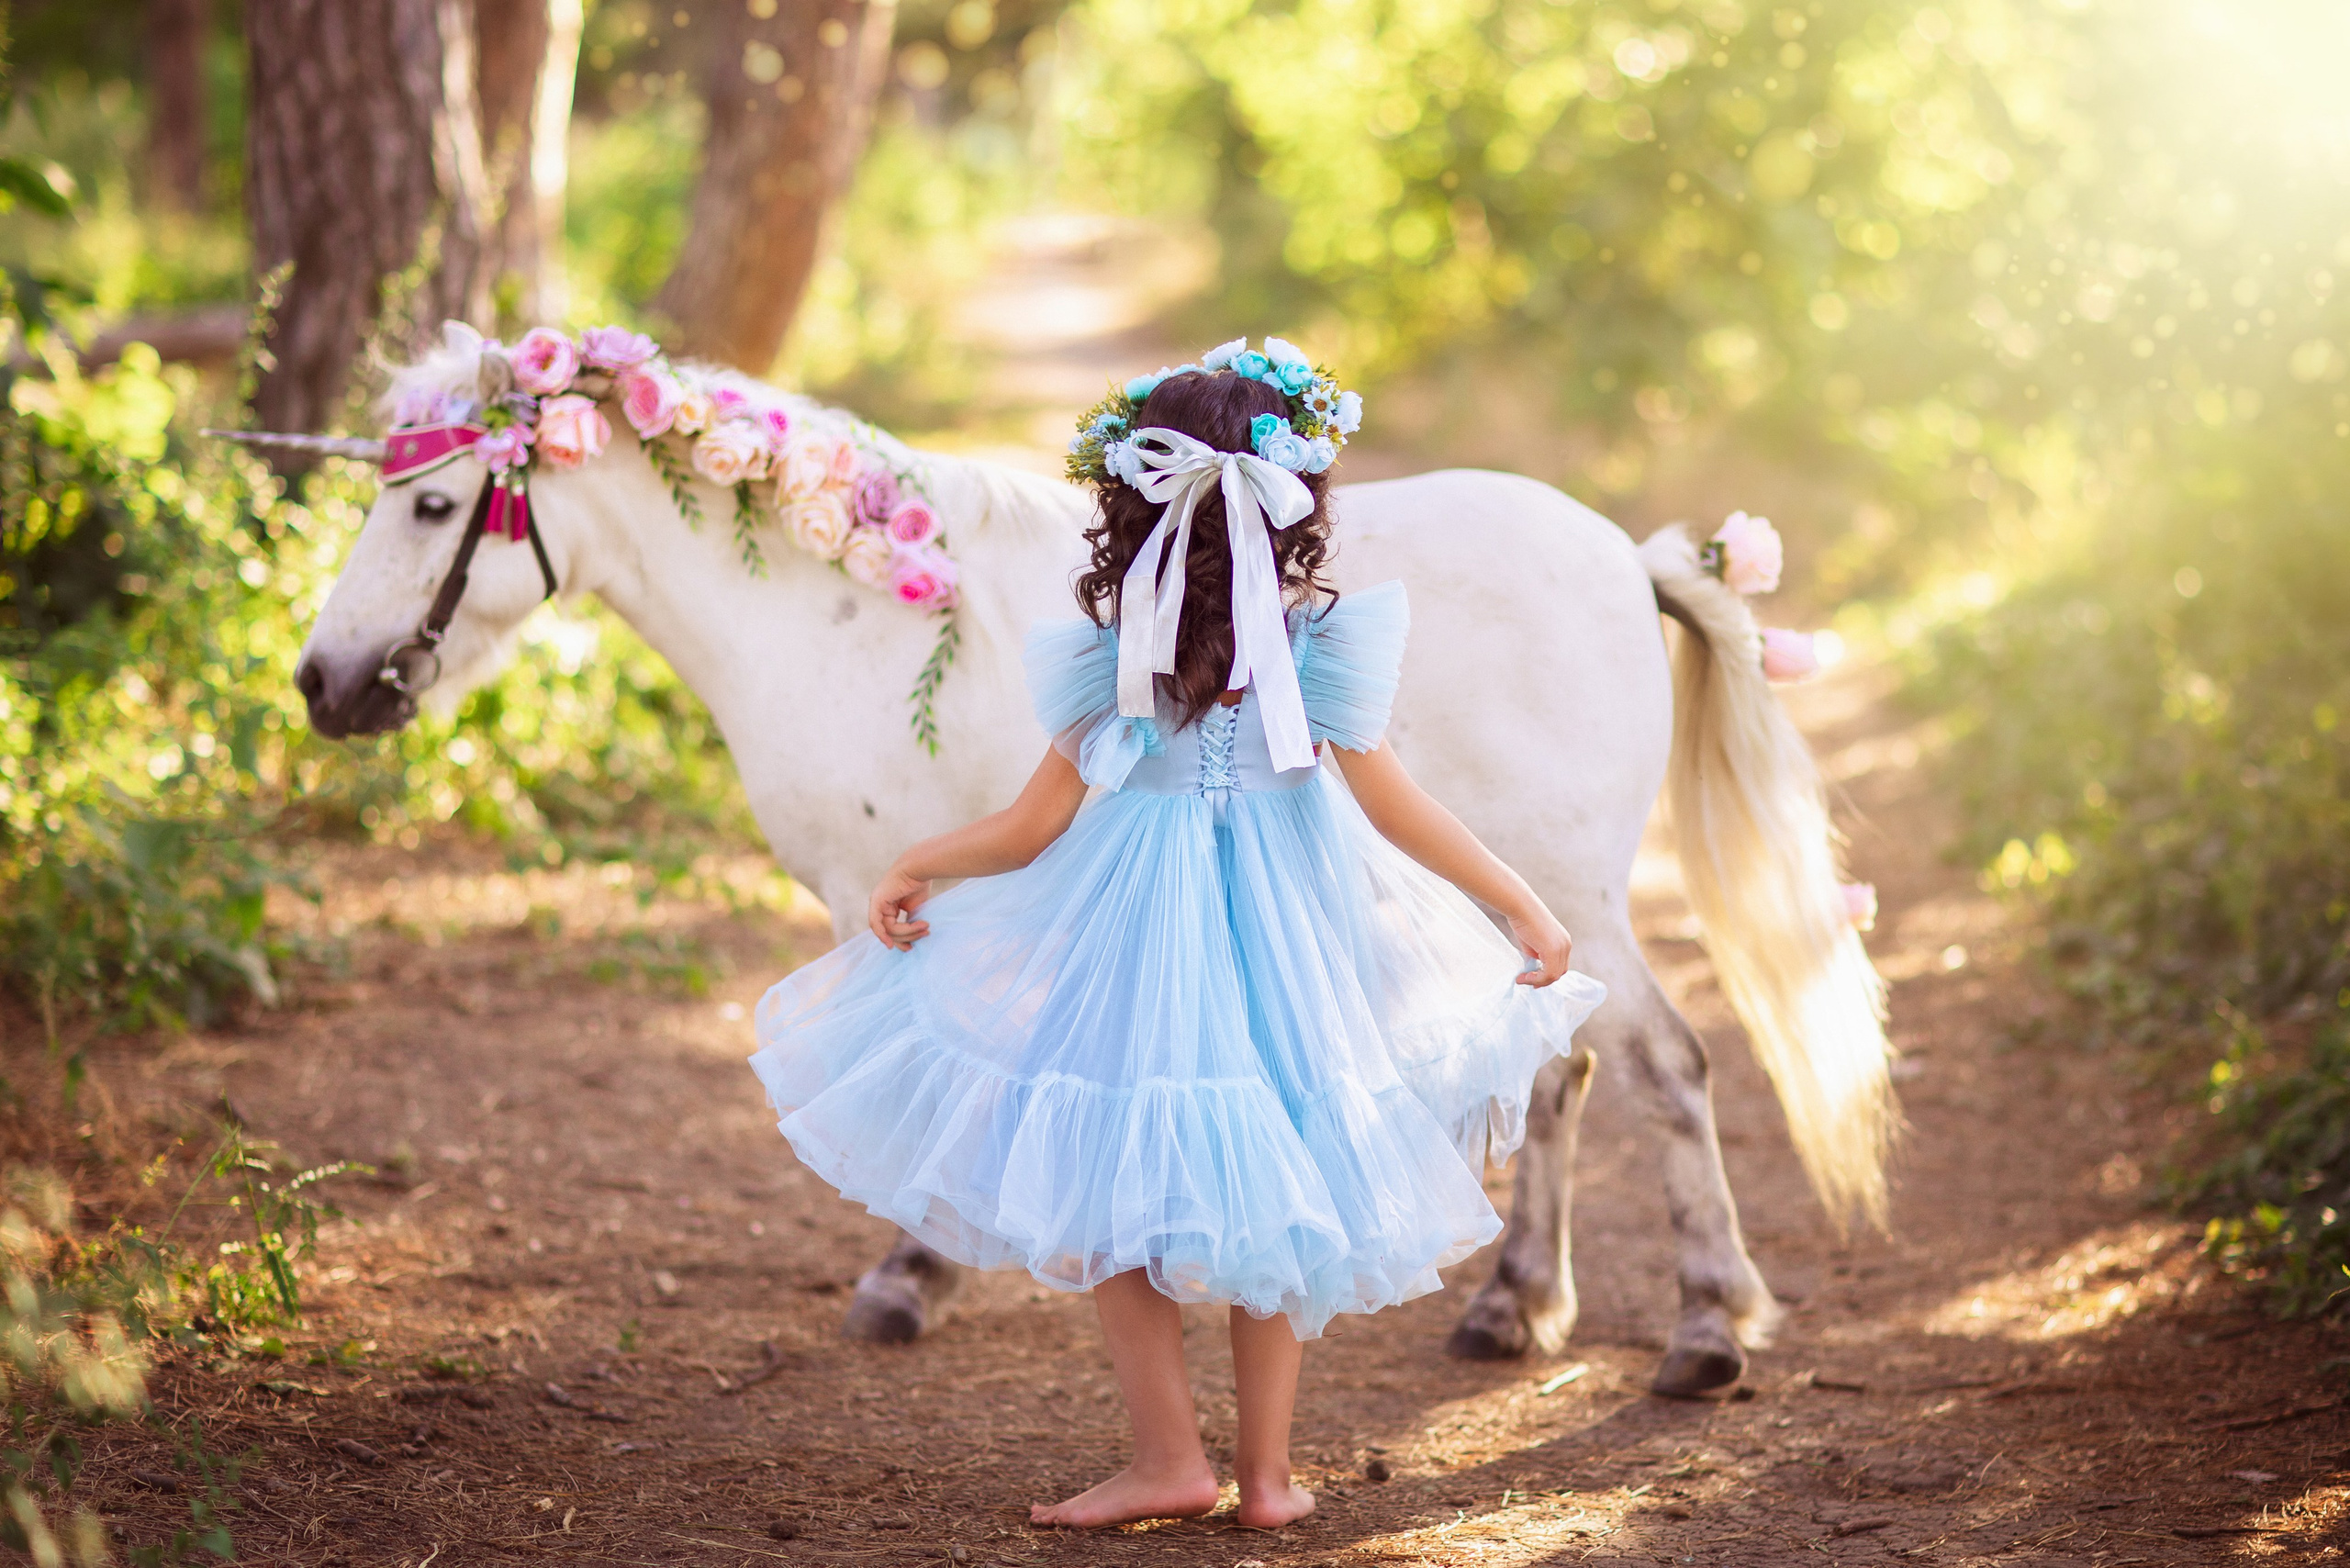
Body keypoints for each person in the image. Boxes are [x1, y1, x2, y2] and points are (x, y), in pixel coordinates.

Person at [748, 341, 1605, 1530]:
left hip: (1132, 924)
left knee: (1118, 1185)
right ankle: (1266, 1479)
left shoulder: (1117, 647)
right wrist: (1521, 899)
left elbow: (1034, 826)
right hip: (1287, 931)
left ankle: (1168, 1460)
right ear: (1292, 504)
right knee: (1279, 1183)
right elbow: (1393, 805)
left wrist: (919, 860)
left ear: (1132, 501)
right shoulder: (1320, 639)